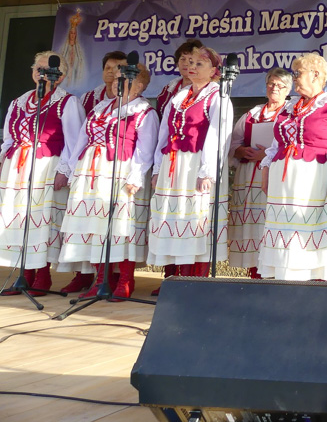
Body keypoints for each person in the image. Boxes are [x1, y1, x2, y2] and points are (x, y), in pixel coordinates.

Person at [59, 63, 158, 299]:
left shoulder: (144, 111)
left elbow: (145, 148)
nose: (116, 83)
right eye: (115, 80)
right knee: (96, 227)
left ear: (139, 85)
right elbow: (82, 139)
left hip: (121, 171)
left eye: (124, 80)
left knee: (120, 228)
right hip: (91, 171)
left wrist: (135, 176)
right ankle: (101, 279)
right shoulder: (101, 107)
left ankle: (125, 280)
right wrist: (74, 171)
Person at [259, 53, 327, 280]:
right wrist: (265, 172)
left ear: (316, 74)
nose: (295, 78)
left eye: (298, 73)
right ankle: (284, 280)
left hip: (314, 178)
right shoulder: (288, 107)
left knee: (309, 232)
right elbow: (275, 146)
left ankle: (313, 283)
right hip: (282, 182)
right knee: (284, 232)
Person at [0, 51, 85, 296]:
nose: (42, 74)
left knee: (43, 221)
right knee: (19, 219)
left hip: (47, 167)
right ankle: (23, 275)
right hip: (17, 169)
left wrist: (65, 171)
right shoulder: (18, 101)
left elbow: (74, 141)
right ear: (32, 72)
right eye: (38, 69)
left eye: (48, 71)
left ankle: (43, 275)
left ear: (59, 77)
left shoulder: (67, 102)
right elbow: (8, 139)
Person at [148, 46, 233, 279]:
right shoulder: (180, 96)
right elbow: (164, 135)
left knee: (196, 217)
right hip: (173, 165)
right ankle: (175, 278)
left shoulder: (218, 95)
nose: (192, 67)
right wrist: (158, 168)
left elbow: (218, 136)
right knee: (175, 219)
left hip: (197, 164)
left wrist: (207, 172)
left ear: (214, 70)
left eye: (199, 64)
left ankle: (196, 280)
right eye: (191, 63)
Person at [57, 50, 128, 294]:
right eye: (108, 67)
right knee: (85, 222)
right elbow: (79, 135)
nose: (113, 71)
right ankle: (83, 274)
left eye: (118, 67)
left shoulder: (132, 99)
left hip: (114, 166)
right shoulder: (89, 98)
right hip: (89, 167)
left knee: (110, 223)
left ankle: (114, 278)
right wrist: (73, 168)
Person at [227, 68, 293, 278]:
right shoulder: (253, 113)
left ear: (288, 90)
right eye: (271, 84)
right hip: (249, 176)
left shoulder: (291, 112)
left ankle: (275, 273)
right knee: (252, 225)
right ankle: (254, 271)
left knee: (271, 222)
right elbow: (233, 142)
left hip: (274, 175)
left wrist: (268, 154)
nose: (274, 88)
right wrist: (241, 150)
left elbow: (295, 143)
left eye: (280, 85)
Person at [150, 38, 204, 294]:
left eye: (193, 60)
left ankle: (189, 280)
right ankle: (169, 276)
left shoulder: (211, 93)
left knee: (188, 216)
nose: (187, 64)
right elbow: (163, 125)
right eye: (183, 59)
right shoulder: (171, 89)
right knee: (168, 216)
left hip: (192, 159)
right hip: (170, 156)